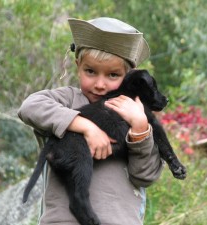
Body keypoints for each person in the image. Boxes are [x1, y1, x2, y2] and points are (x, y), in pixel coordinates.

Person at [18, 17, 164, 225]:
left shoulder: (135, 114)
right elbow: (30, 107)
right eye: (90, 71)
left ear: (129, 76)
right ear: (78, 66)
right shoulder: (68, 99)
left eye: (113, 75)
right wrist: (85, 127)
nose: (100, 84)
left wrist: (140, 129)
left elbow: (146, 176)